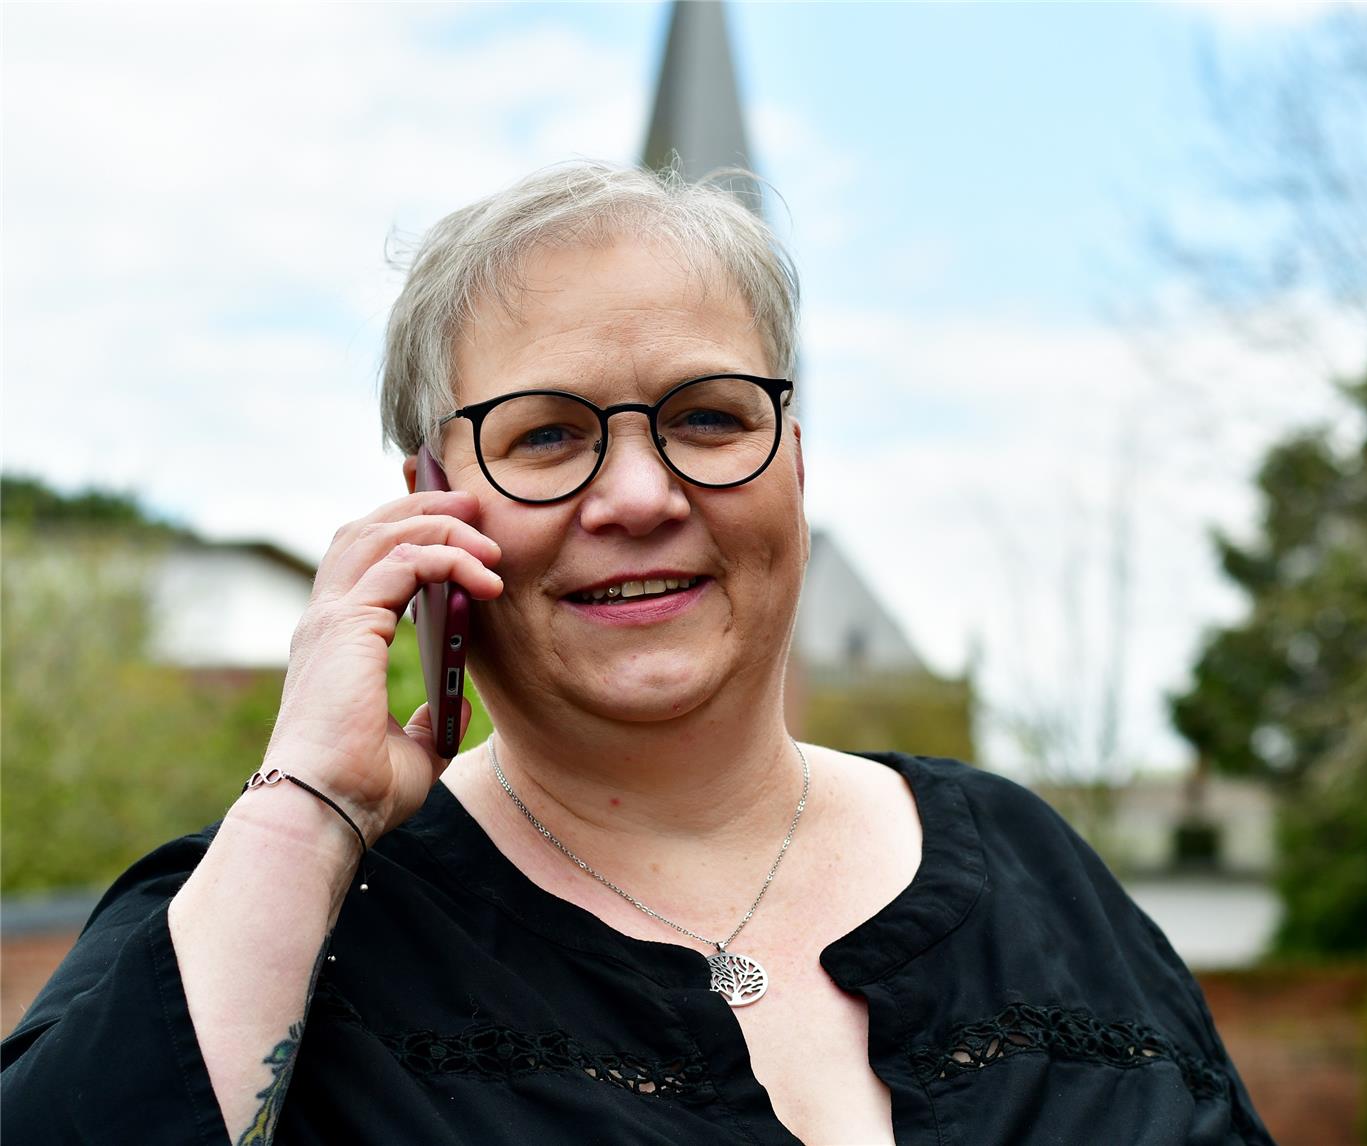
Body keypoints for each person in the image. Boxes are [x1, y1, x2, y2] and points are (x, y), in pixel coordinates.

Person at [0, 162, 1274, 1145]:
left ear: (795, 466)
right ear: (431, 505)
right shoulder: (278, 917)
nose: (637, 495)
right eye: (547, 436)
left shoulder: (1034, 873)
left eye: (708, 417)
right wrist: (309, 815)